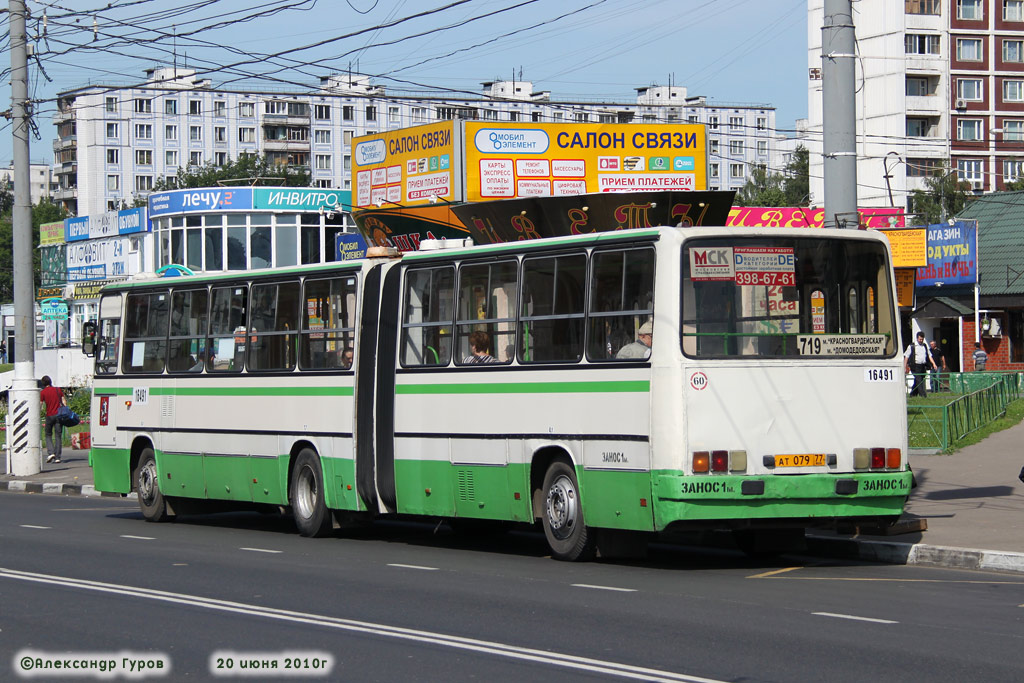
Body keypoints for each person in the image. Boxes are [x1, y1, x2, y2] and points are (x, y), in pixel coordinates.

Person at [39, 375, 65, 464]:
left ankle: (51, 453)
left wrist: (38, 413)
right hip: (59, 415)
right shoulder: (58, 390)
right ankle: (58, 457)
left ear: (43, 383)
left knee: (48, 434)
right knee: (58, 436)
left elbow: (40, 404)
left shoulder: (43, 392)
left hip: (49, 415)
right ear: (50, 381)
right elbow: (63, 401)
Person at [903, 331, 936, 397]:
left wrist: (934, 364)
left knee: (918, 381)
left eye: (922, 339)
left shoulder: (924, 346)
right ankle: (923, 396)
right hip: (915, 366)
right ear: (917, 338)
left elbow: (929, 355)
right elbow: (906, 356)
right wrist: (904, 366)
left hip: (923, 366)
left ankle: (912, 394)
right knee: (919, 380)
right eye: (920, 339)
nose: (921, 340)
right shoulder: (912, 346)